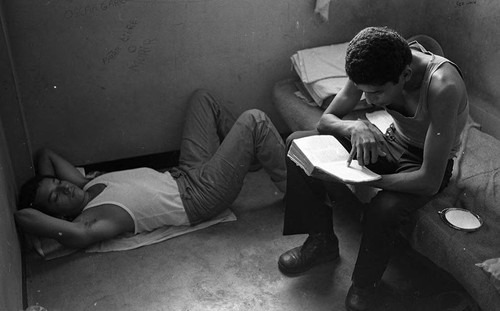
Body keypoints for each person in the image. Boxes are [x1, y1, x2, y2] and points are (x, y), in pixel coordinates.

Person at [278, 27, 469, 311]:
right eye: (363, 91)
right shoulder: (372, 63)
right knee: (298, 145)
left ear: (405, 75)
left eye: (377, 93)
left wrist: (370, 180)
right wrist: (355, 125)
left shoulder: (444, 86)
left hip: (426, 160)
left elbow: (429, 180)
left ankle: (366, 285)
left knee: (384, 208)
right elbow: (326, 120)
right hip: (389, 139)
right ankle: (321, 241)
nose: (369, 100)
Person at [15, 89, 286, 249]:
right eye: (56, 197)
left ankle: (250, 155)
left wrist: (46, 186)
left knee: (201, 98)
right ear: (58, 216)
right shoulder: (89, 221)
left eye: (57, 183)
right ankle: (300, 194)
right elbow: (24, 216)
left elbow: (46, 155)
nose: (63, 187)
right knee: (255, 120)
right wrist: (45, 227)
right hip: (201, 197)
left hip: (185, 172)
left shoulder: (83, 186)